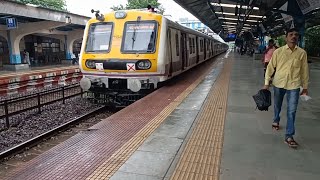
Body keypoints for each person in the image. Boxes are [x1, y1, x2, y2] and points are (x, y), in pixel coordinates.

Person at [263, 28, 309, 148]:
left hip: (294, 85)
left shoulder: (302, 53)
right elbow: (271, 67)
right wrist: (267, 83)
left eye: (296, 35)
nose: (294, 36)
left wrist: (305, 87)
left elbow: (304, 71)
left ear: (298, 38)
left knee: (292, 111)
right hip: (278, 84)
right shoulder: (278, 52)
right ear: (286, 37)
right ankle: (276, 119)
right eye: (291, 34)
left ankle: (289, 136)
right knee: (277, 105)